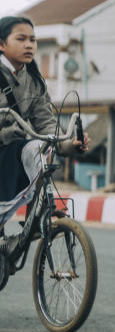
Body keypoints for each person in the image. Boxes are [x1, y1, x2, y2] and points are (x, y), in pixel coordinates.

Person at [0, 16, 89, 237]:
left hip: (16, 149)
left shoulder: (34, 80)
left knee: (43, 147)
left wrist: (70, 143)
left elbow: (46, 123)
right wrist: (10, 132)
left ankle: (34, 220)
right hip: (4, 147)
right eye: (21, 39)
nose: (29, 44)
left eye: (32, 39)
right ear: (1, 44)